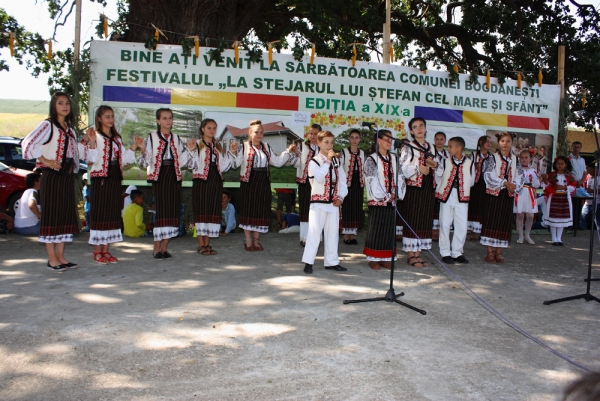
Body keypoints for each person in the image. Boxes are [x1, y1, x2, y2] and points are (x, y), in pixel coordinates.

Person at [22, 91, 80, 272]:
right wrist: (45, 160)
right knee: (52, 215)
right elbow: (27, 142)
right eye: (60, 103)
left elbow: (73, 154)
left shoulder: (70, 130)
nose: (65, 106)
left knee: (64, 214)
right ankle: (51, 259)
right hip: (52, 176)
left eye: (67, 103)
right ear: (54, 106)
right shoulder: (47, 125)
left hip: (66, 176)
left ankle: (61, 256)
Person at [133, 108, 195, 259]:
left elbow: (181, 161)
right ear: (158, 121)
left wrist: (190, 150)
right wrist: (142, 150)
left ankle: (165, 248)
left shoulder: (176, 138)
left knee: (173, 210)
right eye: (165, 118)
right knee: (161, 211)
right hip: (160, 176)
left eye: (170, 118)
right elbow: (144, 162)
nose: (168, 121)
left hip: (174, 176)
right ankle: (156, 248)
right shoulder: (152, 137)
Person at [80, 105, 136, 264]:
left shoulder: (117, 138)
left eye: (112, 116)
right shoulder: (95, 135)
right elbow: (91, 160)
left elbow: (124, 161)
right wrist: (91, 143)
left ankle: (106, 250)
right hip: (101, 178)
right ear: (99, 118)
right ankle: (97, 251)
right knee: (100, 213)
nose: (110, 119)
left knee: (111, 212)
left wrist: (133, 147)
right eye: (107, 116)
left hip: (114, 176)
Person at [232, 120, 294, 251]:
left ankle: (256, 241)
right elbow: (236, 164)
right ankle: (248, 241)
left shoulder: (266, 146)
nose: (259, 134)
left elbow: (277, 162)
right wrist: (233, 152)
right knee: (249, 210)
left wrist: (288, 151)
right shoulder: (243, 146)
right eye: (256, 132)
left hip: (263, 182)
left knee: (260, 210)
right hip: (249, 181)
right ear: (250, 133)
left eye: (261, 132)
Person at [302, 131, 348, 274]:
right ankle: (309, 262)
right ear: (319, 143)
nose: (329, 145)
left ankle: (331, 261)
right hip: (318, 202)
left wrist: (341, 197)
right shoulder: (314, 161)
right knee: (315, 232)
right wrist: (327, 161)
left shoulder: (336, 162)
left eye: (331, 142)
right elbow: (319, 178)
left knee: (333, 233)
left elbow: (342, 181)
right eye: (326, 142)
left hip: (333, 203)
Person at [190, 118, 235, 255]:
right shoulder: (197, 144)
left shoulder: (217, 146)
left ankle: (207, 244)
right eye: (209, 128)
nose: (212, 130)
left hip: (215, 180)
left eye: (214, 128)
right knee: (201, 211)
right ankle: (201, 245)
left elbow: (223, 166)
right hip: (202, 181)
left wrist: (232, 153)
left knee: (210, 211)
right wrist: (191, 151)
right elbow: (191, 164)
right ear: (202, 129)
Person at [399, 117, 440, 268]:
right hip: (414, 188)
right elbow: (402, 168)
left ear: (425, 127)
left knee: (423, 220)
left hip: (428, 188)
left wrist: (435, 165)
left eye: (421, 125)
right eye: (415, 127)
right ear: (411, 131)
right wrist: (418, 168)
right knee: (413, 219)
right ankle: (411, 256)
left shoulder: (432, 147)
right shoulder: (408, 147)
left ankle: (418, 254)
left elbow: (440, 169)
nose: (419, 129)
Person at [363, 129, 403, 270]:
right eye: (386, 139)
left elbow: (400, 177)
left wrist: (396, 193)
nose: (389, 142)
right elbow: (371, 181)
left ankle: (386, 257)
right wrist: (385, 195)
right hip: (377, 200)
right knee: (376, 228)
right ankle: (373, 258)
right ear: (378, 140)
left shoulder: (395, 158)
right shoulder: (371, 159)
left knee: (389, 230)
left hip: (391, 200)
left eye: (391, 139)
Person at [480, 132, 520, 263]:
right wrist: (503, 182)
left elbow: (520, 176)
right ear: (499, 143)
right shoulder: (492, 158)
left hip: (507, 195)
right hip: (494, 194)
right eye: (503, 141)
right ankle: (490, 252)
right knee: (492, 220)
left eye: (508, 141)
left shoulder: (516, 160)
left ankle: (499, 253)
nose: (505, 143)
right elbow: (488, 174)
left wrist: (514, 185)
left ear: (512, 143)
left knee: (504, 222)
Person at [435, 137, 474, 264]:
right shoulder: (445, 161)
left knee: (461, 225)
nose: (449, 149)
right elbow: (438, 176)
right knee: (445, 224)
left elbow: (472, 180)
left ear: (459, 148)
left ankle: (457, 252)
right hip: (446, 196)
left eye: (451, 146)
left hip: (461, 197)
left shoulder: (470, 163)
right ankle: (445, 252)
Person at [291, 123, 320, 247]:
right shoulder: (302, 146)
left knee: (317, 210)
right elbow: (295, 164)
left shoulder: (323, 147)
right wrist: (297, 154)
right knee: (305, 209)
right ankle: (304, 238)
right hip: (304, 182)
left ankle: (316, 237)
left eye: (315, 134)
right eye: (311, 133)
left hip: (319, 183)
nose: (313, 136)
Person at [541, 156, 576, 245]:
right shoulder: (552, 175)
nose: (560, 166)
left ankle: (559, 238)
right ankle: (553, 238)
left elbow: (573, 187)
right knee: (553, 218)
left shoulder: (569, 176)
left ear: (566, 165)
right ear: (555, 164)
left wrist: (564, 187)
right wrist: (546, 180)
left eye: (562, 164)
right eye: (558, 164)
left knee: (562, 219)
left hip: (564, 198)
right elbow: (547, 186)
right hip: (554, 198)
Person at [339, 128, 365, 245]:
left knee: (355, 207)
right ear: (349, 139)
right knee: (347, 207)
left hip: (358, 182)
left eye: (357, 137)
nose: (354, 140)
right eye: (352, 137)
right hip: (346, 182)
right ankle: (346, 235)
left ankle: (352, 235)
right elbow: (340, 168)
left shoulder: (363, 153)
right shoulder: (343, 152)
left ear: (359, 139)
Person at [467, 135, 492, 241]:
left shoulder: (491, 157)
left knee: (484, 207)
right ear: (481, 142)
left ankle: (482, 231)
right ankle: (472, 231)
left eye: (490, 142)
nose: (489, 144)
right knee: (474, 206)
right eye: (487, 142)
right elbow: (467, 168)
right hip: (475, 184)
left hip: (486, 184)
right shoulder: (473, 155)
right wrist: (474, 168)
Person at [514, 149, 541, 244]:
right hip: (520, 192)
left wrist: (539, 179)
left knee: (530, 215)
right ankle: (520, 236)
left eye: (526, 157)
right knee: (520, 214)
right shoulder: (516, 170)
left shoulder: (533, 171)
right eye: (522, 157)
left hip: (530, 193)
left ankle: (527, 235)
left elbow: (536, 184)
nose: (524, 159)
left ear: (530, 159)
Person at [432, 131, 449, 241]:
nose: (439, 141)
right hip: (433, 183)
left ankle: (439, 230)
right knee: (433, 207)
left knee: (441, 208)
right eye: (437, 139)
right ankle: (432, 230)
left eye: (441, 139)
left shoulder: (448, 154)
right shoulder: (431, 152)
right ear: (434, 140)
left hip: (444, 184)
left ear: (445, 141)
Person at [580, 164, 597, 229]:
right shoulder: (589, 178)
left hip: (596, 202)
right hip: (587, 202)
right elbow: (586, 189)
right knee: (582, 218)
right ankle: (583, 232)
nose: (589, 171)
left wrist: (590, 190)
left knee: (596, 219)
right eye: (588, 170)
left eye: (590, 169)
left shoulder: (598, 178)